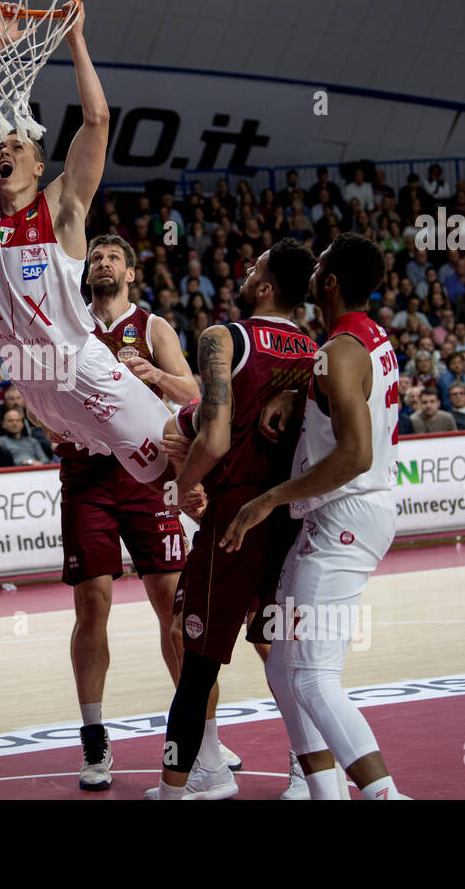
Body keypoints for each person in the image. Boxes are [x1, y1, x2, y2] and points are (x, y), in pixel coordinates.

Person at [0, 0, 176, 489]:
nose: (4, 150)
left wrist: (75, 40)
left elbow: (97, 122)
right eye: (0, 147)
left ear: (37, 168)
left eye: (18, 147)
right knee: (112, 483)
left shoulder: (62, 208)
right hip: (28, 374)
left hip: (81, 363)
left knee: (178, 472)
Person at [221, 232, 410, 800]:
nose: (314, 262)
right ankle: (322, 793)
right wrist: (299, 392)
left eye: (320, 260)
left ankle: (385, 796)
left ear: (327, 281)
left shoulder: (342, 352)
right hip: (342, 517)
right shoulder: (360, 339)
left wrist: (269, 498)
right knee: (283, 667)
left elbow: (355, 454)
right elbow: (337, 392)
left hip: (344, 518)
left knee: (313, 676)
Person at [148, 238, 319, 800]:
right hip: (297, 516)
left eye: (254, 268)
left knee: (193, 658)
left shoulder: (223, 337)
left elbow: (217, 437)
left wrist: (182, 487)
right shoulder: (315, 352)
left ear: (265, 287)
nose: (246, 272)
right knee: (283, 651)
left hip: (236, 520)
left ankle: (188, 784)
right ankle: (307, 771)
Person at [50, 233, 211, 792]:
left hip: (149, 473)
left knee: (172, 602)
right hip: (87, 476)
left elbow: (193, 391)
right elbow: (42, 406)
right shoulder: (66, 326)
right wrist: (55, 424)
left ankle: (200, 734)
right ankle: (94, 736)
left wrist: (155, 376)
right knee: (92, 603)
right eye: (94, 256)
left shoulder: (153, 327)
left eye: (112, 257)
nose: (101, 262)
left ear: (130, 273)